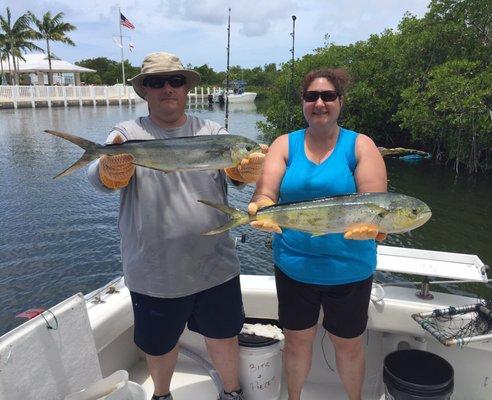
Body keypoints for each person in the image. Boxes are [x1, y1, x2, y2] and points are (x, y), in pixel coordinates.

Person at [87, 52, 267, 400]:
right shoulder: (127, 134)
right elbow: (96, 179)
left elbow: (240, 172)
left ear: (186, 88)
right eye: (157, 82)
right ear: (144, 91)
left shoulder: (213, 131)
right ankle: (162, 395)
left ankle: (232, 393)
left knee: (223, 335)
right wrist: (108, 172)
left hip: (215, 265)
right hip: (153, 270)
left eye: (175, 81)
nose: (167, 88)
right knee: (159, 344)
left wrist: (245, 169)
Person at [248, 68, 387, 400]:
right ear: (303, 102)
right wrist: (261, 207)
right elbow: (265, 193)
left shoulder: (361, 146)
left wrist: (378, 228)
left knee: (349, 345)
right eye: (312, 97)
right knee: (296, 341)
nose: (320, 103)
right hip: (294, 266)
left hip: (348, 269)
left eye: (328, 96)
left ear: (341, 101)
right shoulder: (285, 144)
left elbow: (376, 205)